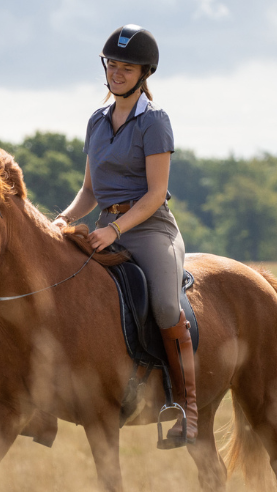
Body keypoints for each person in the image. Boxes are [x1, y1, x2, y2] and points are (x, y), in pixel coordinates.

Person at [52, 24, 197, 447]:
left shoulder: (154, 121)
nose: (117, 72)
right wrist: (60, 220)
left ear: (144, 72)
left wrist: (114, 228)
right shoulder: (96, 121)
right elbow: (90, 191)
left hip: (150, 230)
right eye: (112, 64)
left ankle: (184, 407)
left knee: (167, 304)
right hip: (104, 230)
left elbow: (155, 195)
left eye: (126, 66)